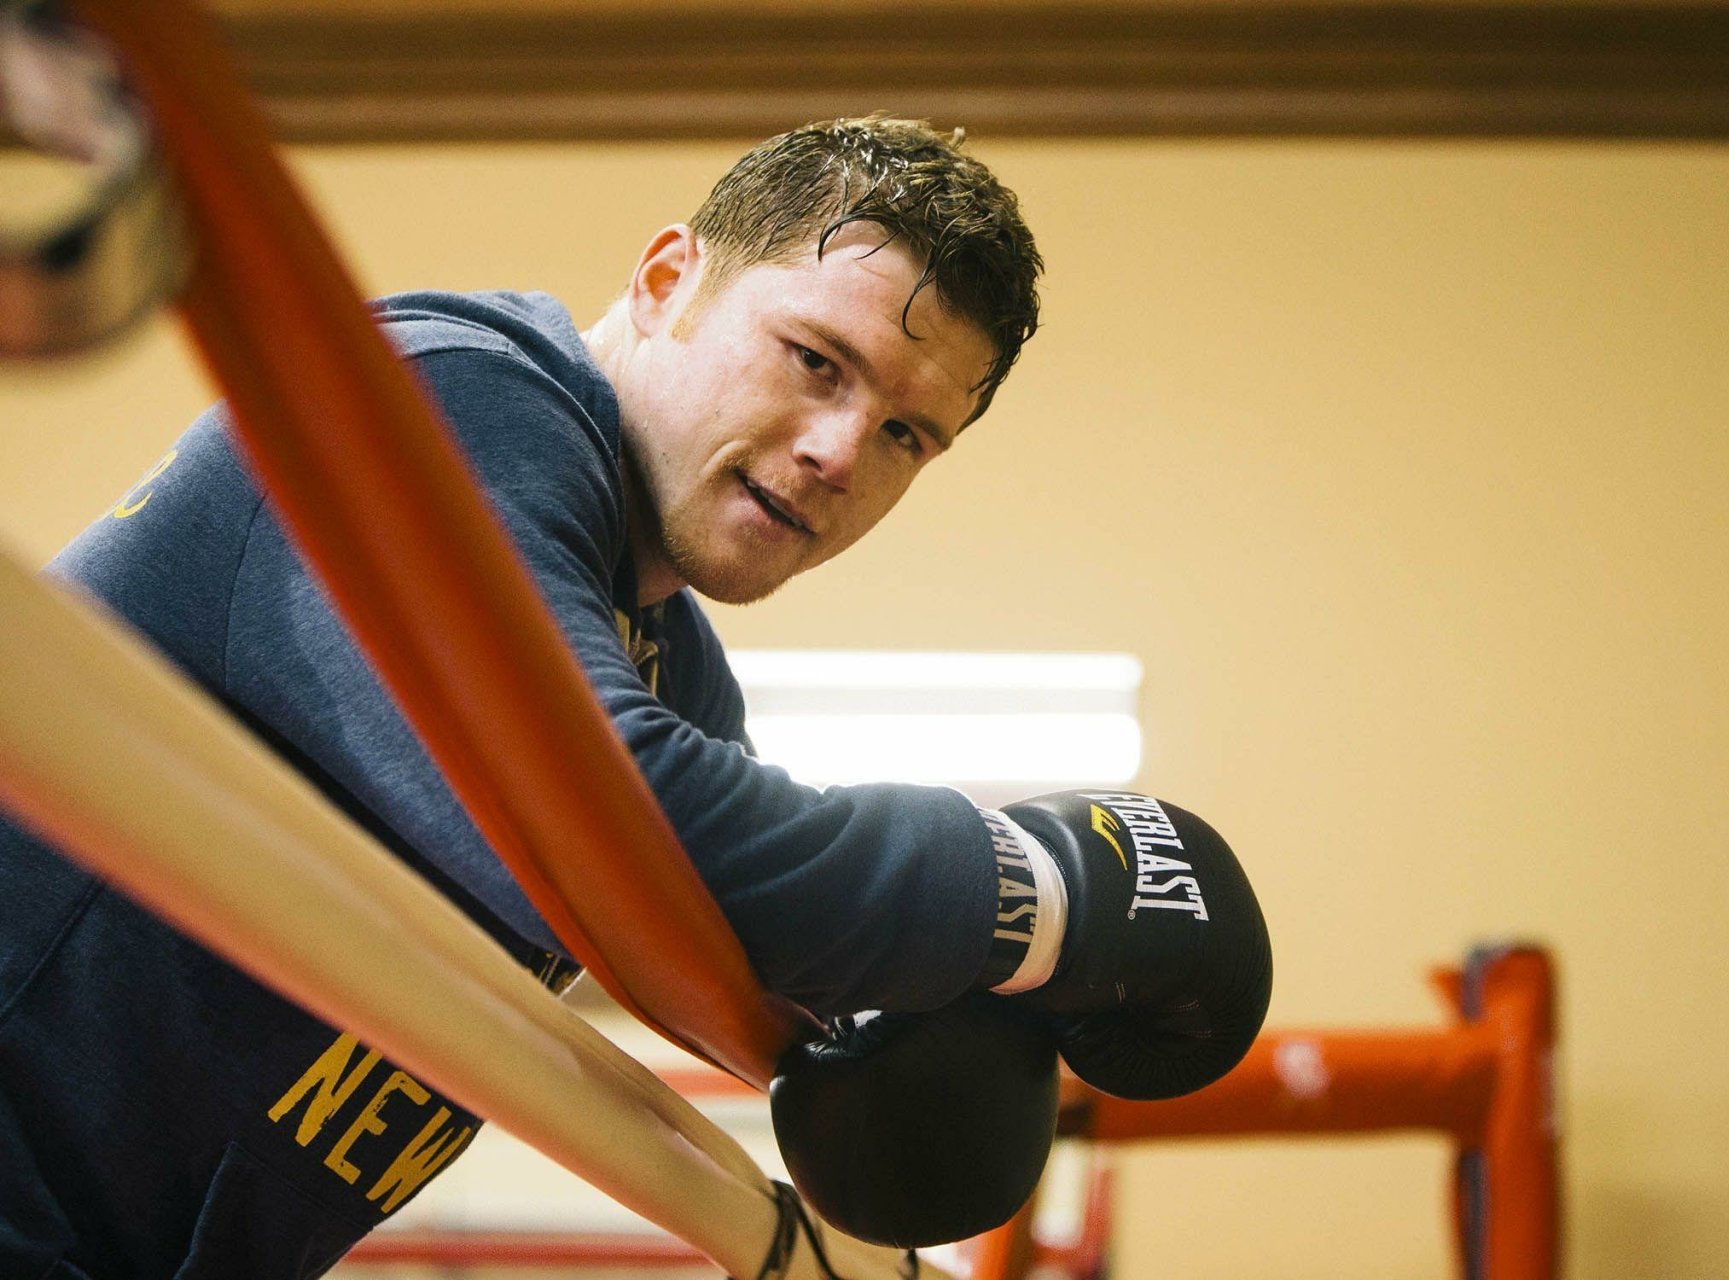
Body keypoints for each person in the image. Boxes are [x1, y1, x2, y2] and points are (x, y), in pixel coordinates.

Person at [0, 117, 1268, 1279]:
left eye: (905, 435)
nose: (838, 451)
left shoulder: (672, 663)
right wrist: (1045, 898)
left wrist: (939, 1032)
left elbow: (767, 927)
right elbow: (619, 811)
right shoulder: (435, 399)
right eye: (816, 357)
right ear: (667, 281)